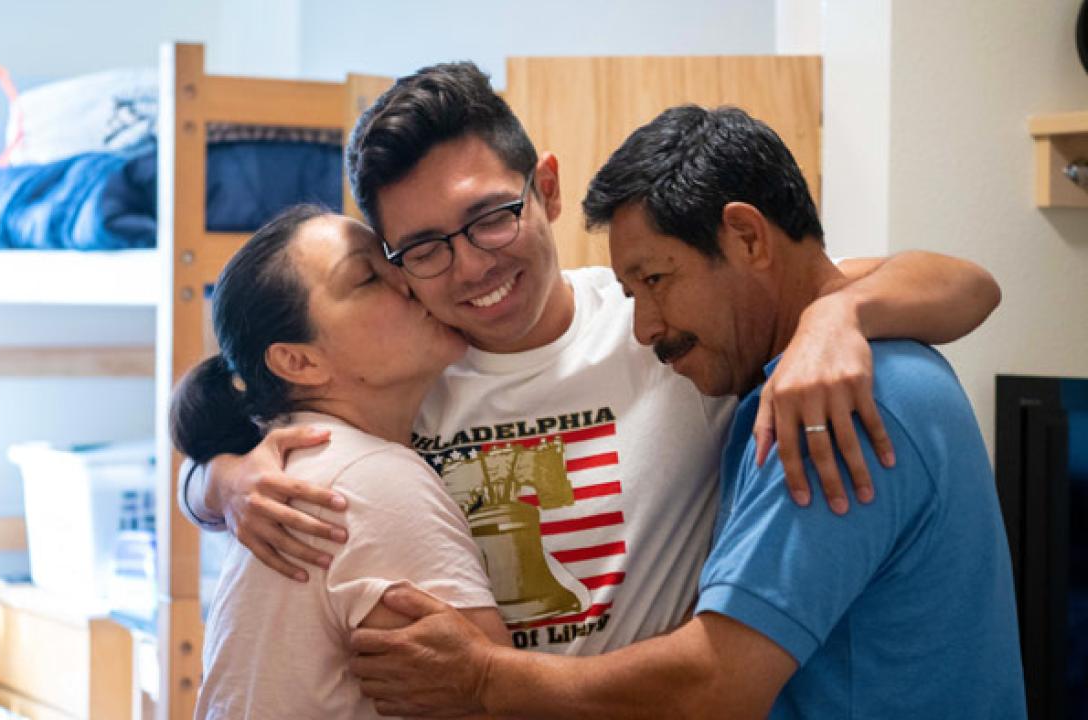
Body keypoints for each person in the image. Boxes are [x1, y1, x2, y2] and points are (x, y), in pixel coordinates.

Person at [181, 62, 1002, 657]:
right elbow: (221, 417)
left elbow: (966, 285)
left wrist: (837, 313)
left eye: (492, 218)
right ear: (395, 261)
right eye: (425, 248)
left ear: (545, 188)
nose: (470, 267)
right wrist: (220, 483)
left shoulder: (666, 323)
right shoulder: (399, 374)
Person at [347, 105, 1025, 719]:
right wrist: (235, 478)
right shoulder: (403, 380)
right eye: (427, 249)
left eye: (655, 281)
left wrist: (483, 679)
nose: (645, 325)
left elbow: (716, 683)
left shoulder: (832, 394)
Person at [169, 205, 508, 719]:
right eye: (369, 276)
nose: (410, 280)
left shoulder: (305, 462)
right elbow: (496, 706)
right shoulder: (368, 481)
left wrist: (217, 480)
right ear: (299, 362)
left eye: (395, 259)